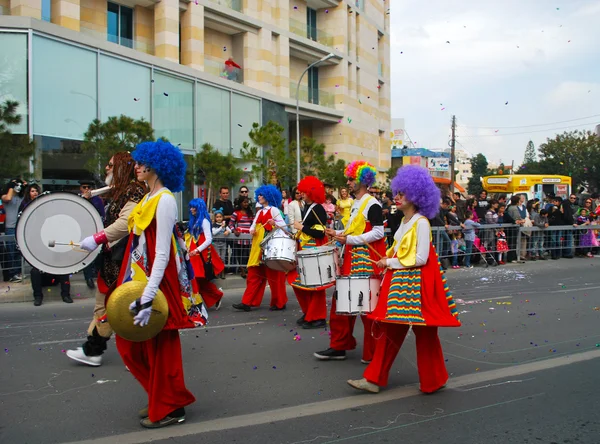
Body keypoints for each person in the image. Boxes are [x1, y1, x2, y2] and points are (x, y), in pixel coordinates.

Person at [347, 165, 460, 394]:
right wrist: (386, 260)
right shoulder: (403, 223)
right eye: (396, 193)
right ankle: (374, 379)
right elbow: (398, 252)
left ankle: (434, 379)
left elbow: (420, 258)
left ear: (417, 195)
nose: (396, 197)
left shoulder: (421, 222)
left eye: (402, 193)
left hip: (417, 287)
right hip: (400, 284)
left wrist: (389, 262)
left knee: (425, 333)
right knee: (391, 330)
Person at [114, 140, 197, 428]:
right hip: (141, 280)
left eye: (140, 163)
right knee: (131, 344)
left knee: (162, 346)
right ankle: (158, 397)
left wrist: (149, 295)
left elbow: (163, 251)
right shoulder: (148, 198)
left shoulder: (165, 200)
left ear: (155, 166)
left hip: (158, 283)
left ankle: (171, 408)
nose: (136, 166)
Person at [67, 152, 147, 366]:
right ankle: (95, 350)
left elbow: (124, 224)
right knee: (107, 306)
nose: (106, 168)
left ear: (122, 167)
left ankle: (96, 351)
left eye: (111, 165)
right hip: (114, 258)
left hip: (125, 261)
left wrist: (97, 238)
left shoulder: (135, 190)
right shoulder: (123, 190)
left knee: (116, 307)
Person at [314, 161, 386, 362]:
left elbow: (379, 232)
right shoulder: (356, 204)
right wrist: (336, 233)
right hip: (351, 260)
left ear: (362, 180)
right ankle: (339, 345)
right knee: (342, 303)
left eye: (351, 179)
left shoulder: (372, 203)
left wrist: (350, 239)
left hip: (364, 261)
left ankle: (373, 353)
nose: (348, 182)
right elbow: (353, 231)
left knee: (366, 308)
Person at [232, 185, 288, 312]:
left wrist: (275, 224)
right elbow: (253, 226)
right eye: (259, 194)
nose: (259, 196)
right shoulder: (259, 212)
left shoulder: (274, 210)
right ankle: (248, 302)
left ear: (268, 196)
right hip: (258, 249)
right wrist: (251, 230)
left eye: (262, 194)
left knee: (275, 276)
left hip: (270, 247)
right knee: (254, 275)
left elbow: (285, 227)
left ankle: (279, 302)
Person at [287, 176, 329, 329]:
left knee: (315, 285)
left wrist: (301, 228)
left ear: (311, 193)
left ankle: (317, 316)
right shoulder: (307, 207)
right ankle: (309, 312)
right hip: (305, 249)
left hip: (314, 250)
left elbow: (320, 233)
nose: (301, 194)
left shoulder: (318, 208)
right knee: (300, 283)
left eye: (304, 192)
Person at [186, 198, 225, 310]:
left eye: (194, 207)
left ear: (199, 208)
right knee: (198, 280)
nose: (191, 209)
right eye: (191, 207)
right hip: (194, 255)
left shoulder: (204, 221)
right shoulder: (194, 221)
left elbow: (208, 239)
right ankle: (216, 296)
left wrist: (197, 250)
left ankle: (195, 303)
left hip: (201, 255)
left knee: (197, 279)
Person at [79, 180, 107, 289]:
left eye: (88, 187)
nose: (86, 189)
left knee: (98, 253)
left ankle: (97, 273)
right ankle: (88, 278)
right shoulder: (79, 199)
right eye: (84, 187)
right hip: (83, 230)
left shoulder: (97, 200)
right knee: (86, 253)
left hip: (95, 230)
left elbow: (102, 215)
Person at [1, 177, 27, 282]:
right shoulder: (5, 197)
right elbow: (8, 198)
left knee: (18, 251)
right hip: (10, 227)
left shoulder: (20, 198)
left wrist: (25, 185)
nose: (18, 187)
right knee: (11, 252)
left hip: (19, 227)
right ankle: (12, 274)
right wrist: (11, 185)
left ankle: (17, 272)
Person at [228, 196, 253, 279]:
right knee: (239, 254)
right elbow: (231, 224)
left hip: (248, 238)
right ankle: (242, 270)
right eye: (244, 202)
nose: (246, 204)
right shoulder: (236, 213)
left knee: (247, 254)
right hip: (239, 238)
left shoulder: (250, 213)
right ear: (241, 203)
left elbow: (253, 224)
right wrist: (234, 231)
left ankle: (247, 270)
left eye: (247, 202)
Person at [210, 208, 230, 279]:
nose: (219, 218)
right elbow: (214, 232)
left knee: (223, 258)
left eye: (220, 217)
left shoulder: (224, 225)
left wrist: (227, 231)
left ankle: (222, 272)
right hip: (216, 243)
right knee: (217, 257)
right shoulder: (214, 225)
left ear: (222, 217)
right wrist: (221, 227)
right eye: (217, 217)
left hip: (223, 243)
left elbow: (229, 230)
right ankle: (217, 272)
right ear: (215, 218)